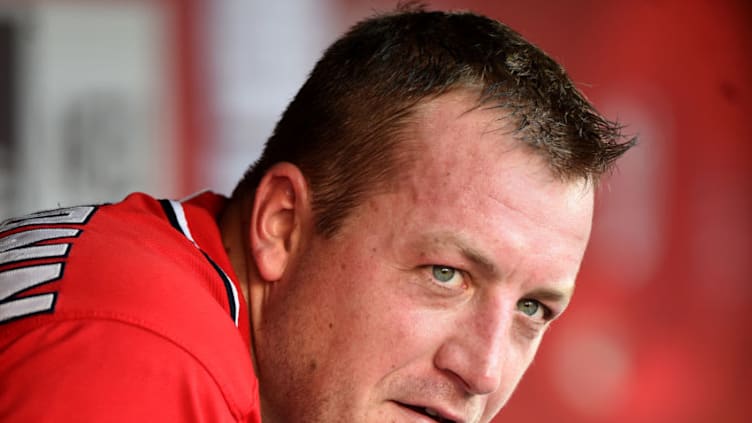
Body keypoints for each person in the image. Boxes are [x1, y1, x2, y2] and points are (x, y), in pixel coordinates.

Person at [0, 5, 634, 423]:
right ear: (281, 225)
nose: (482, 372)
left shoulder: (161, 296)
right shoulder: (141, 366)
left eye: (532, 309)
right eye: (446, 274)